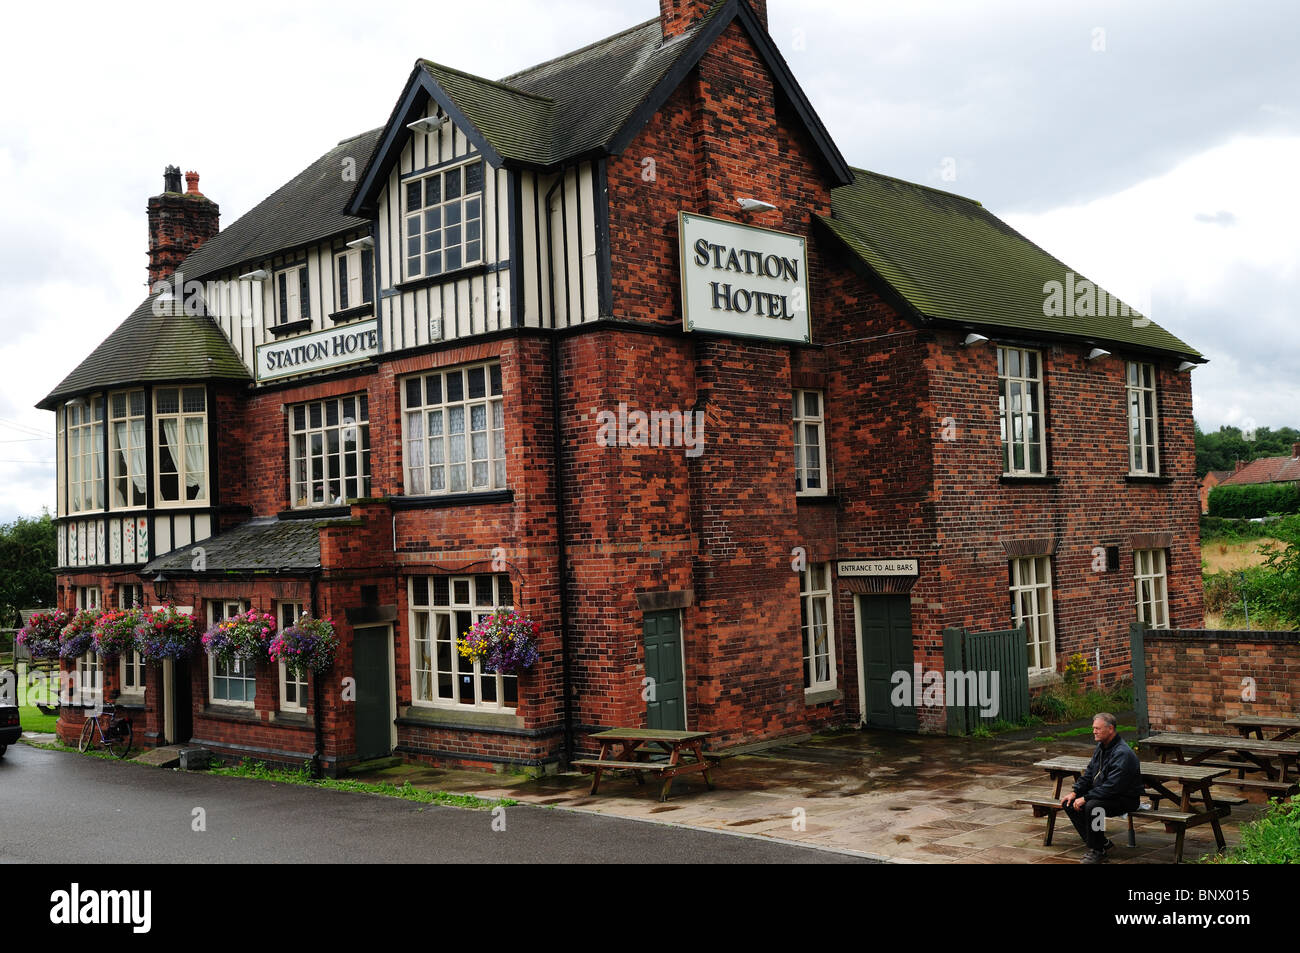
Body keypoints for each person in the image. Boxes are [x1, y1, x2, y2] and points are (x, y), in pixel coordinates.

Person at [1060, 712, 1143, 863]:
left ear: (1110, 729)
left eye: (1098, 728)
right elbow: (1089, 773)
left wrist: (1085, 797)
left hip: (1125, 798)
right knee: (1069, 803)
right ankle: (1102, 843)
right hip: (1107, 794)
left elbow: (1113, 787)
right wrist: (1075, 792)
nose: (1094, 732)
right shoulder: (1101, 747)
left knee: (1093, 806)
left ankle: (1097, 851)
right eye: (1093, 728)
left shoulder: (1122, 753)